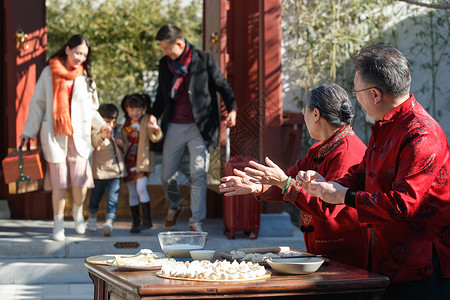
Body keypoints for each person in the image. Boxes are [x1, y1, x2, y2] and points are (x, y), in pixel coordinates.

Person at [296, 45, 450, 299]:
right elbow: (361, 173)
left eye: (357, 93)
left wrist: (344, 195)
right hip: (387, 260)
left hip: (421, 267)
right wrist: (326, 184)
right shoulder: (387, 125)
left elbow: (403, 204)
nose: (356, 100)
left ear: (375, 94)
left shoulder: (422, 133)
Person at [219, 82, 369, 268]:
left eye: (303, 110)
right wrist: (259, 187)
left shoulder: (347, 152)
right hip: (324, 252)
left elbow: (327, 207)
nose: (303, 115)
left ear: (315, 114)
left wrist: (285, 182)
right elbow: (289, 179)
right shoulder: (319, 149)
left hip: (346, 256)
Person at [20, 34, 111, 241]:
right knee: (59, 184)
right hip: (55, 136)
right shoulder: (48, 72)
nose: (80, 58)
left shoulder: (86, 76)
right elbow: (37, 105)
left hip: (78, 137)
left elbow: (91, 110)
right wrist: (28, 132)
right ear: (68, 49)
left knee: (80, 183)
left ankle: (78, 213)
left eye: (84, 55)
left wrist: (102, 125)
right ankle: (58, 224)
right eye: (77, 52)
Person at [151, 24, 237, 232]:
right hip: (174, 125)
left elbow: (223, 87)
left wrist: (232, 109)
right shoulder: (165, 64)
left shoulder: (204, 59)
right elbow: (162, 96)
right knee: (167, 174)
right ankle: (174, 205)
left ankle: (196, 221)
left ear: (179, 44)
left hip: (201, 127)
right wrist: (153, 115)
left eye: (167, 48)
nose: (165, 53)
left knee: (198, 172)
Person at [121, 93, 162, 233]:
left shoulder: (146, 120)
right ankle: (135, 222)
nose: (135, 113)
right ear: (127, 109)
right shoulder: (125, 125)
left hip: (142, 161)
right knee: (132, 192)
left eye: (138, 109)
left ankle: (147, 220)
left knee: (141, 188)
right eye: (131, 110)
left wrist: (156, 129)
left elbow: (155, 137)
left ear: (143, 108)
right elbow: (124, 143)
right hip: (129, 161)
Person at [87, 103, 126, 236]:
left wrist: (122, 144)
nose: (111, 125)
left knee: (112, 198)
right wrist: (103, 136)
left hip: (116, 172)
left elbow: (126, 147)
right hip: (100, 172)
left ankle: (109, 221)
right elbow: (95, 144)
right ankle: (92, 217)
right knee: (95, 197)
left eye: (113, 122)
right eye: (107, 121)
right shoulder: (96, 131)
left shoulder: (118, 130)